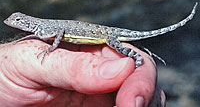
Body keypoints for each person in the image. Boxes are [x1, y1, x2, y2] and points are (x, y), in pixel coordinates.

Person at [0, 36, 165, 107]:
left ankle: (137, 57)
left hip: (104, 35)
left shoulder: (46, 29)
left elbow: (58, 36)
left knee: (121, 50)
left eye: (18, 21)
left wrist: (51, 49)